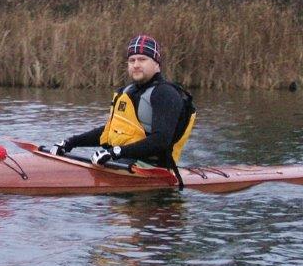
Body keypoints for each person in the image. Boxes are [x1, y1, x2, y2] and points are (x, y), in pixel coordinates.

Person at [51, 34, 196, 182]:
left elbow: (161, 140)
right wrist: (71, 142)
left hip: (153, 169)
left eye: (142, 59)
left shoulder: (166, 94)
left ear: (157, 64)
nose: (136, 65)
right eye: (132, 60)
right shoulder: (127, 92)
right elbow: (110, 132)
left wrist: (116, 152)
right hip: (124, 162)